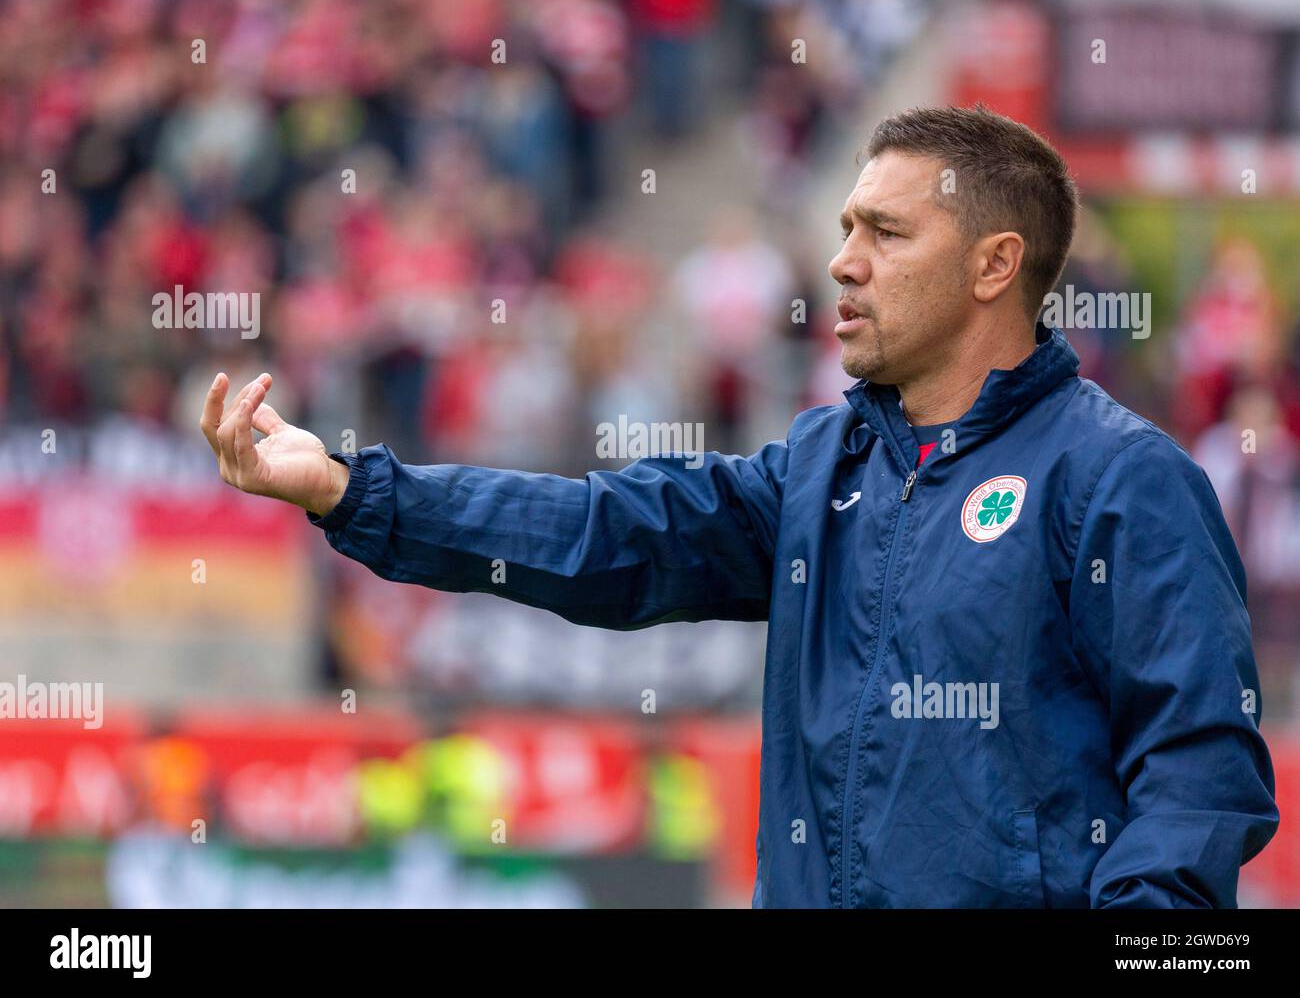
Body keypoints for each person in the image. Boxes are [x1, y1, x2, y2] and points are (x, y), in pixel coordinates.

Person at [200, 105, 1278, 908]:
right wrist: (353, 490)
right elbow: (602, 533)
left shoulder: (1119, 478)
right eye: (845, 227)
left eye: (885, 235)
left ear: (996, 265)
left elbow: (1201, 779)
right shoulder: (823, 467)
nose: (841, 263)